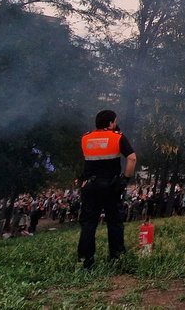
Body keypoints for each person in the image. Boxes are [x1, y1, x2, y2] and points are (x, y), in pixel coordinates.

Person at [78, 109, 136, 269]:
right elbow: (132, 158)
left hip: (90, 185)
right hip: (111, 185)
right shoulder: (118, 137)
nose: (116, 124)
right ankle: (116, 256)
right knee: (114, 222)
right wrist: (126, 178)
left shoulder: (85, 138)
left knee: (89, 223)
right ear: (110, 123)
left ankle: (85, 260)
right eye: (115, 121)